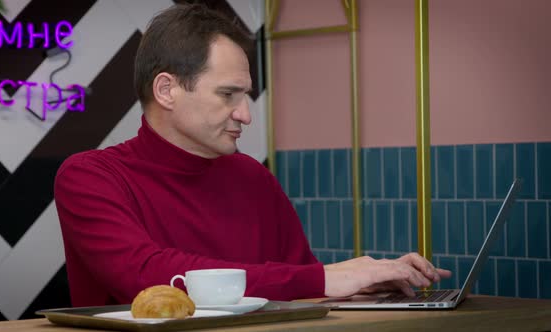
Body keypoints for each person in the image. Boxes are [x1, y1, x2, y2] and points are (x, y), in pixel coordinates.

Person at [54, 3, 451, 307]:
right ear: (166, 90)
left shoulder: (253, 177)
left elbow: (300, 286)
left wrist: (361, 288)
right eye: (229, 94)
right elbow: (145, 276)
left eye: (245, 96)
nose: (245, 114)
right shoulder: (89, 177)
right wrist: (326, 279)